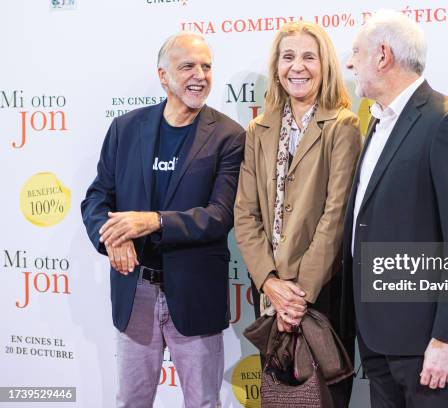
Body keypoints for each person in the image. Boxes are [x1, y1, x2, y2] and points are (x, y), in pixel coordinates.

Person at [81, 32, 245, 407]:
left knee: (203, 402)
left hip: (194, 292)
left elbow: (219, 216)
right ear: (163, 75)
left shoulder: (228, 136)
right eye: (188, 66)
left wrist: (153, 221)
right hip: (135, 288)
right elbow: (96, 197)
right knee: (132, 401)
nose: (200, 75)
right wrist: (113, 238)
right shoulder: (126, 129)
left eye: (206, 66)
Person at [342, 10, 448, 408]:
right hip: (376, 337)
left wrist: (447, 337)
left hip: (426, 343)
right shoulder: (377, 122)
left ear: (383, 55)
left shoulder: (447, 122)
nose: (350, 63)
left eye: (356, 52)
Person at [233, 21, 361, 407]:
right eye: (288, 57)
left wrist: (297, 297)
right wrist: (270, 282)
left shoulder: (343, 125)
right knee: (281, 399)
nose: (298, 66)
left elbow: (336, 215)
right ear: (276, 66)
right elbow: (245, 213)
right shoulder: (259, 128)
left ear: (325, 65)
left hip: (321, 294)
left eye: (309, 56)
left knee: (324, 399)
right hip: (271, 295)